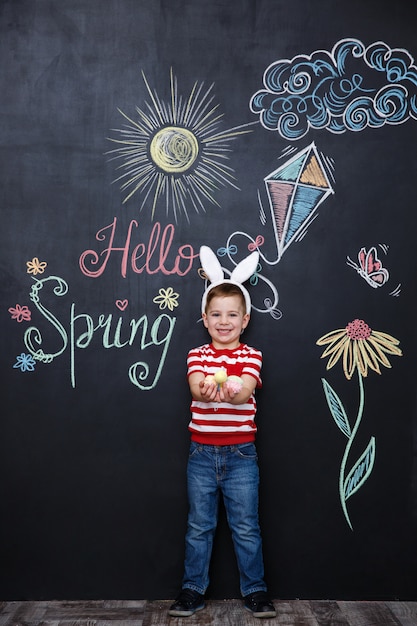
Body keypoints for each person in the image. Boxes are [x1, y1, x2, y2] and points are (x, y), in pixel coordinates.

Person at [169, 246, 276, 619]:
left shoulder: (251, 356)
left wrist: (232, 391)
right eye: (216, 314)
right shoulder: (197, 354)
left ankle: (256, 590)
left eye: (232, 314)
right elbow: (198, 387)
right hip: (201, 454)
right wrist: (209, 390)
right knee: (199, 527)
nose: (224, 321)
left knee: (246, 527)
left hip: (241, 454)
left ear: (245, 320)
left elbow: (245, 390)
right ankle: (192, 590)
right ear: (204, 317)